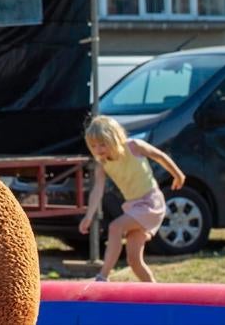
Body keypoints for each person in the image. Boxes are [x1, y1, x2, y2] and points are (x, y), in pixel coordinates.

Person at [79, 115, 186, 282]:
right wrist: (88, 215)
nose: (99, 150)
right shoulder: (102, 163)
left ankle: (103, 276)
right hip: (134, 206)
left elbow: (159, 156)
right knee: (134, 260)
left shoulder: (133, 147)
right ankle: (155, 293)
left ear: (114, 138)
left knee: (115, 227)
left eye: (102, 144)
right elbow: (97, 190)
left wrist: (177, 175)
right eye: (94, 146)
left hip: (151, 203)